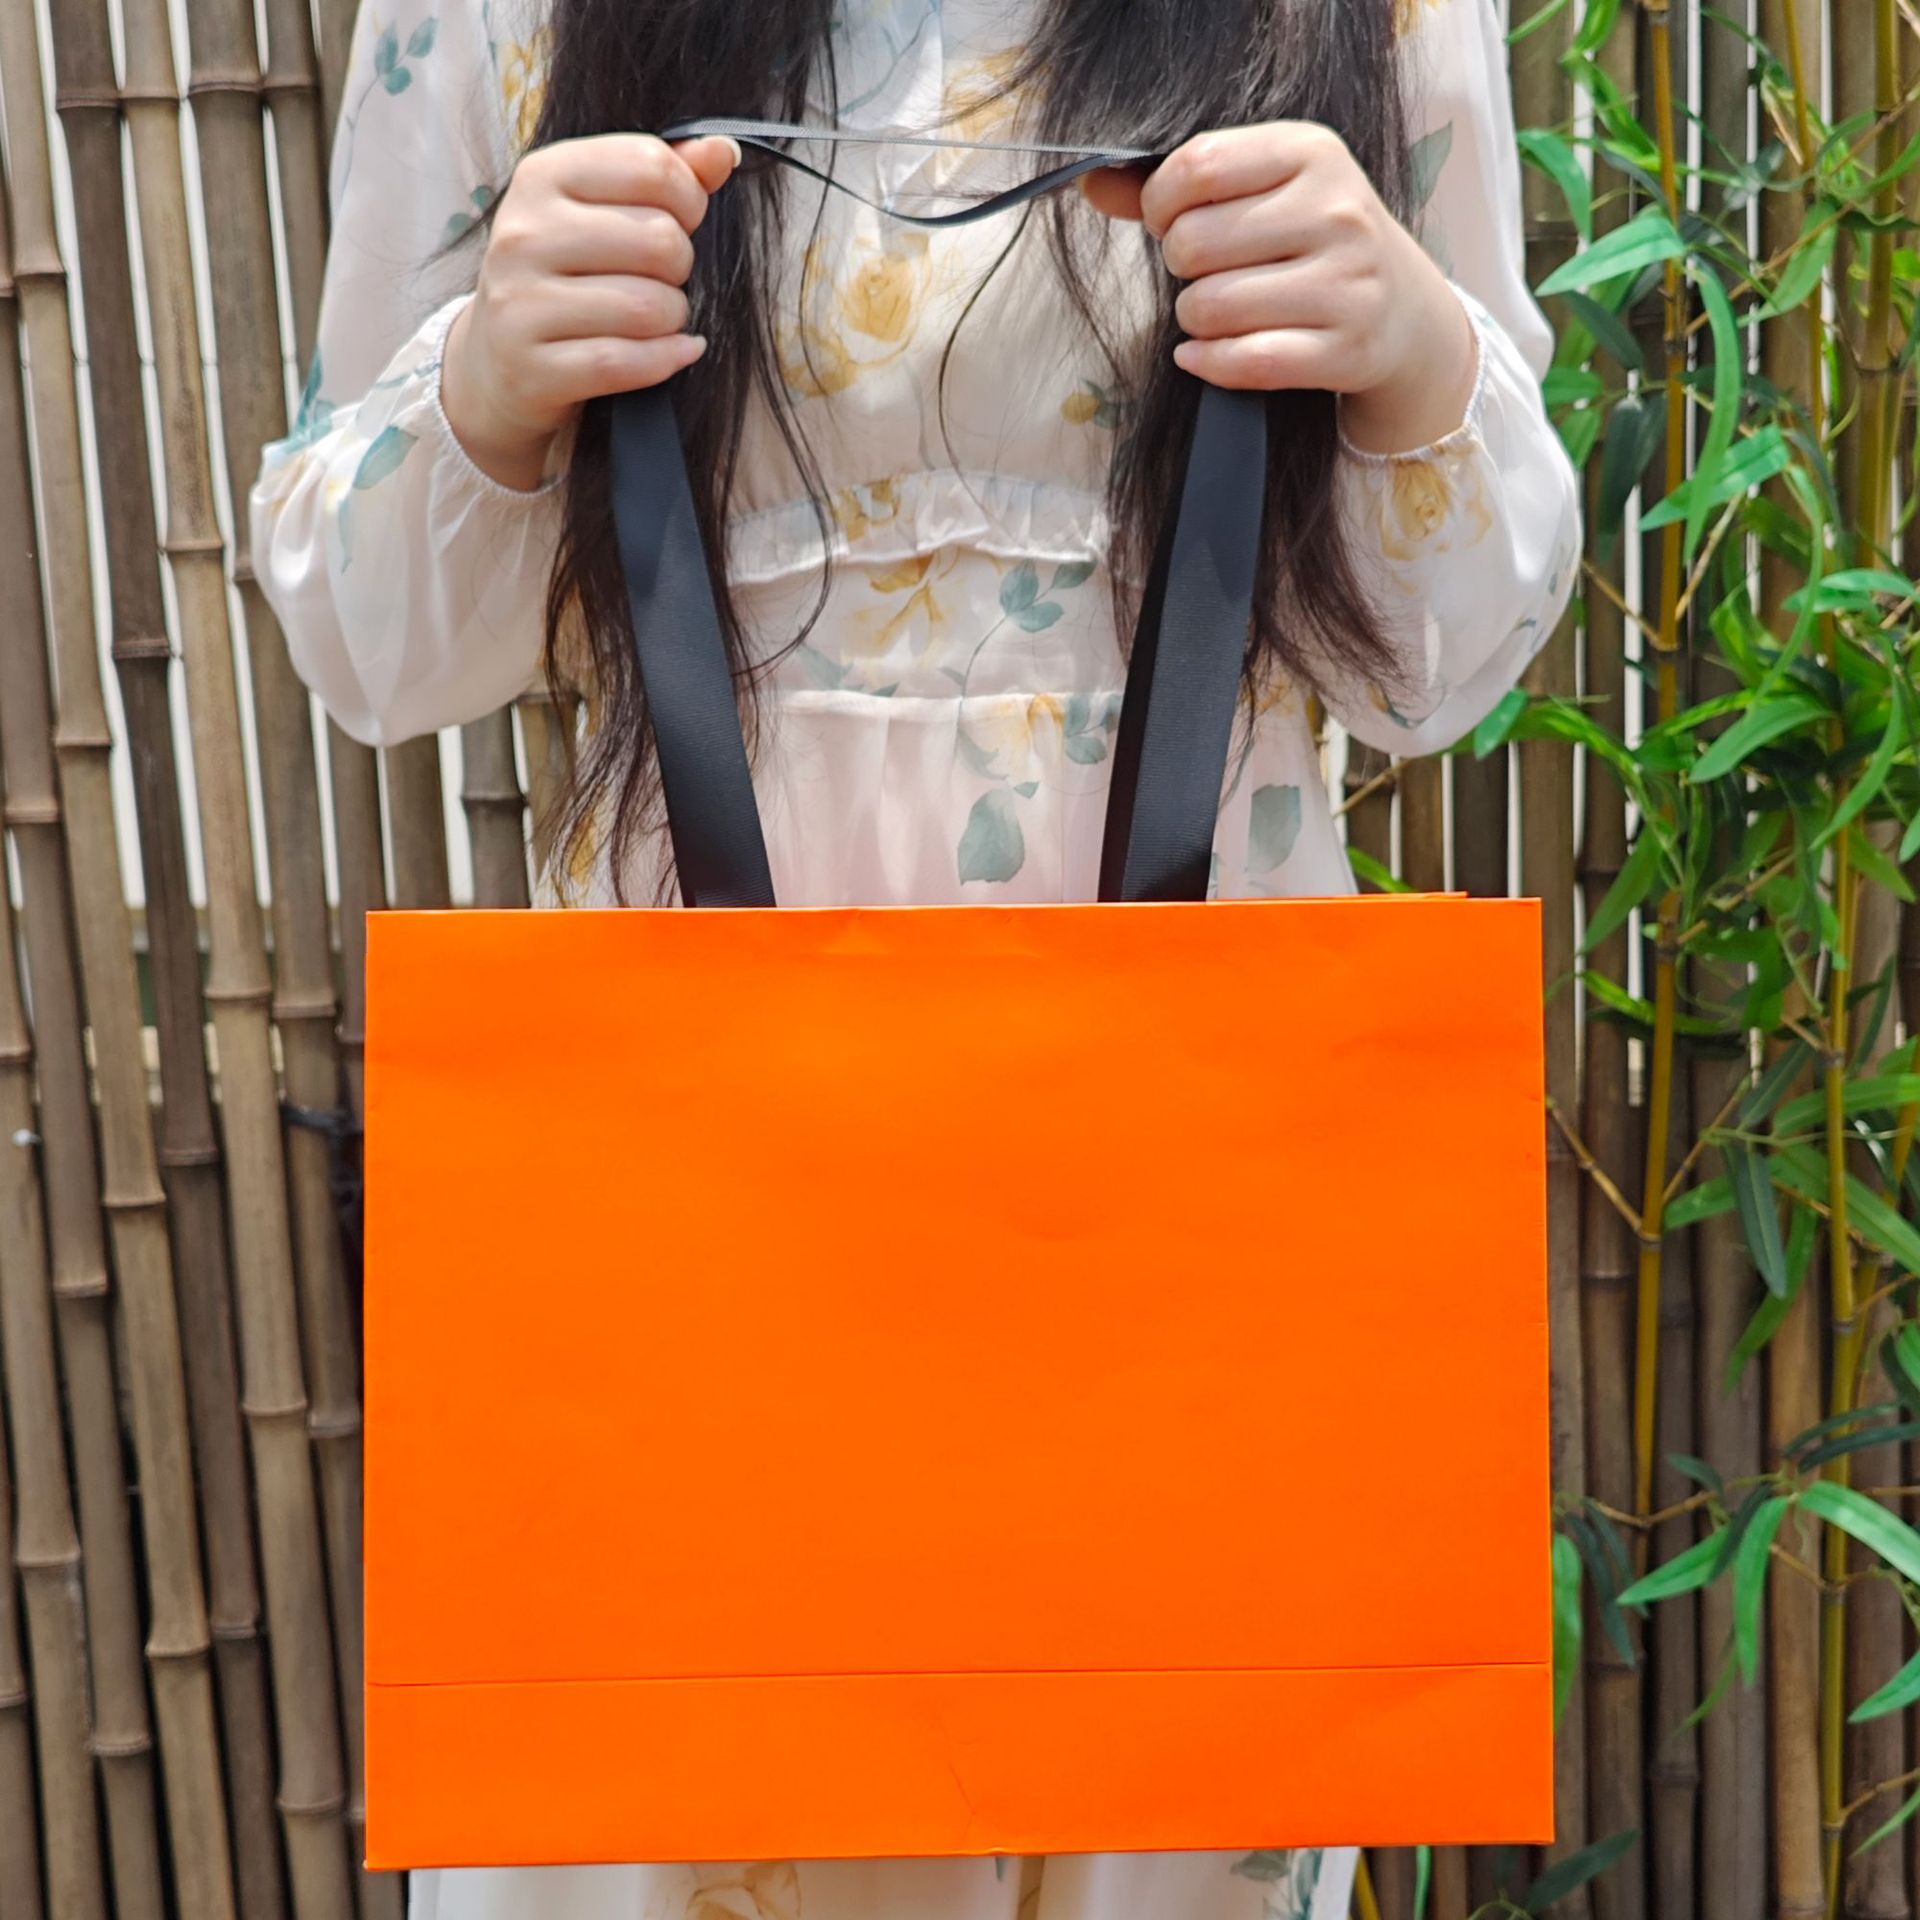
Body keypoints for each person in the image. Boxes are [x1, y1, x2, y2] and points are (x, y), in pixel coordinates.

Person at [252, 0, 1578, 1913]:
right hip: (691, 1139)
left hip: (1193, 1134)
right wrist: (485, 381)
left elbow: (1450, 661)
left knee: (1173, 1786)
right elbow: (370, 647)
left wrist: (1410, 345)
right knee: (660, 1790)